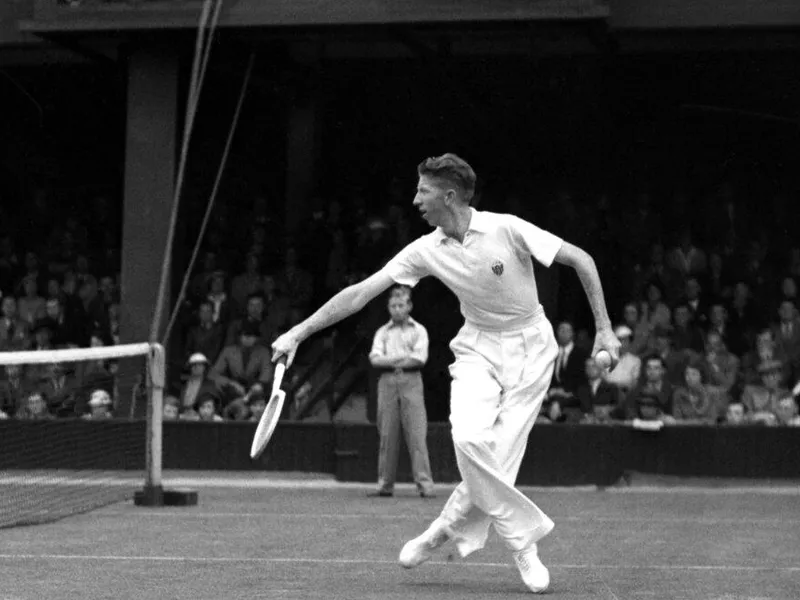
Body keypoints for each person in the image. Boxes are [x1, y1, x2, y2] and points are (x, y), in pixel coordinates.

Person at [271, 154, 619, 594]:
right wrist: (297, 333)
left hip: (532, 348)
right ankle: (523, 547)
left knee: (499, 456)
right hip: (477, 347)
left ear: (449, 196)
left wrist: (604, 329)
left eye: (423, 191)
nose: (415, 199)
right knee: (470, 440)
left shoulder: (507, 227)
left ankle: (442, 530)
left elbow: (582, 260)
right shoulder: (425, 249)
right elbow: (360, 294)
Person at [368, 285, 434, 498]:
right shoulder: (382, 332)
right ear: (388, 307)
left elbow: (419, 359)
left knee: (417, 433)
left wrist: (391, 359)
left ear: (409, 306)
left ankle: (425, 485)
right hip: (387, 381)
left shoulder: (419, 330)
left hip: (412, 380)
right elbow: (374, 359)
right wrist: (401, 358)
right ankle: (385, 485)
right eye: (393, 305)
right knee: (387, 433)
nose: (396, 309)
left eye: (401, 305)